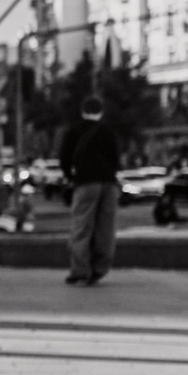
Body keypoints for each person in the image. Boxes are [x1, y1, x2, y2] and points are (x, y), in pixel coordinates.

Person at [59, 97, 121, 285]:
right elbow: (116, 159)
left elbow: (64, 157)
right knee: (105, 227)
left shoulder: (74, 131)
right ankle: (99, 269)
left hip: (86, 182)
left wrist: (71, 177)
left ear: (83, 111)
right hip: (108, 183)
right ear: (101, 112)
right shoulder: (107, 131)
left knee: (82, 225)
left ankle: (80, 270)